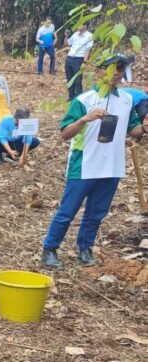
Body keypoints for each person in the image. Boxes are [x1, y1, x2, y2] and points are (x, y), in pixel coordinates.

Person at [42, 54, 144, 268]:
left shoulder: (125, 100)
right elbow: (65, 134)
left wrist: (143, 128)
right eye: (111, 68)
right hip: (85, 164)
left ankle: (85, 248)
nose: (116, 73)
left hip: (112, 165)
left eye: (120, 69)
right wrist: (85, 119)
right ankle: (50, 249)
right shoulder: (84, 100)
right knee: (68, 210)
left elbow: (132, 128)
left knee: (97, 212)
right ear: (98, 71)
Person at [65, 22, 93, 101]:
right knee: (69, 78)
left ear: (85, 26)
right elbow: (67, 43)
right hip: (70, 57)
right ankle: (71, 96)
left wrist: (84, 62)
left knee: (77, 80)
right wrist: (66, 36)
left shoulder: (89, 36)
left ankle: (79, 98)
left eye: (80, 24)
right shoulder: (75, 34)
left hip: (79, 59)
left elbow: (88, 50)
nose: (78, 26)